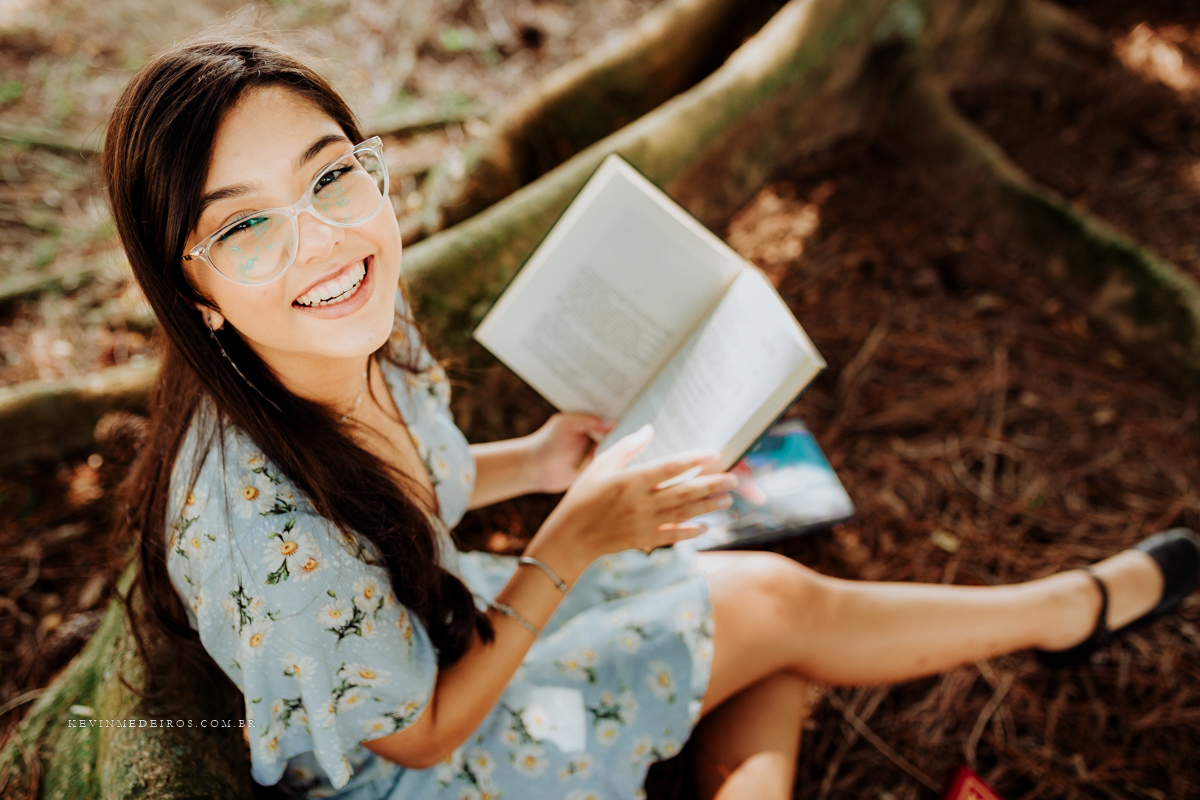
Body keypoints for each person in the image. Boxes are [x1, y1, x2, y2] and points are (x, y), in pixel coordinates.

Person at [104, 37, 1200, 800]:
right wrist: (566, 541)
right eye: (247, 229)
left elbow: (405, 484)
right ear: (192, 288)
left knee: (779, 638)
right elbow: (425, 736)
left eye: (333, 177)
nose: (323, 243)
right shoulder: (265, 533)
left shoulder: (352, 324)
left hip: (450, 611)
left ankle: (1059, 607)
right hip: (439, 753)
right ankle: (1067, 607)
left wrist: (534, 458)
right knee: (777, 610)